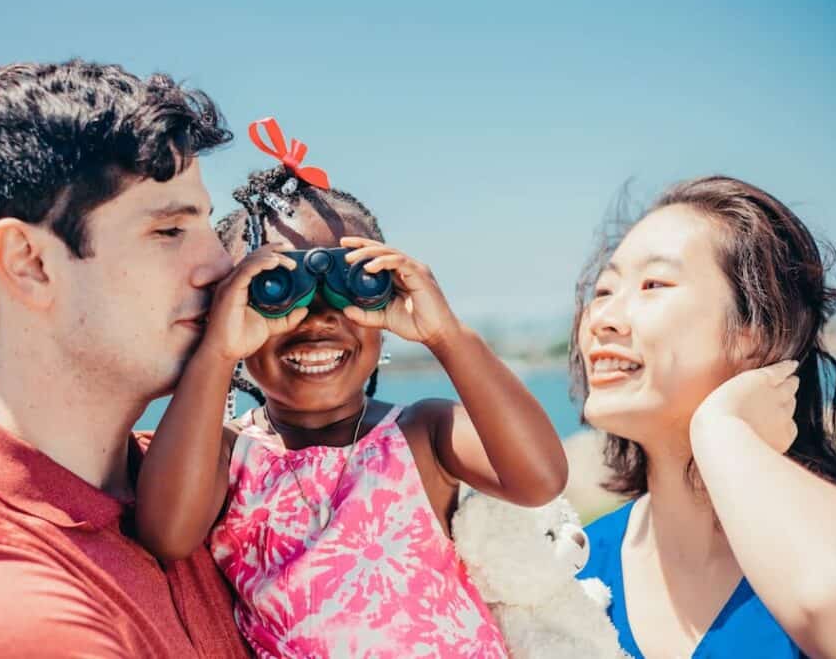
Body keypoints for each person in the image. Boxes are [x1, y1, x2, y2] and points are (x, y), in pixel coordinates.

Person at [0, 60, 250, 658]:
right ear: (28, 263)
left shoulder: (221, 482)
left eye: (210, 229)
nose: (221, 266)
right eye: (169, 231)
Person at [135, 118, 570, 657]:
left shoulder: (421, 432)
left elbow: (539, 480)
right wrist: (216, 352)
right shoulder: (226, 454)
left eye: (353, 283)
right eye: (276, 288)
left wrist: (446, 334)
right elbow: (167, 534)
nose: (316, 318)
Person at [573, 176, 836, 658]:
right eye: (604, 290)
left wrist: (721, 430)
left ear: (756, 329)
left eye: (653, 284)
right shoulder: (572, 571)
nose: (602, 318)